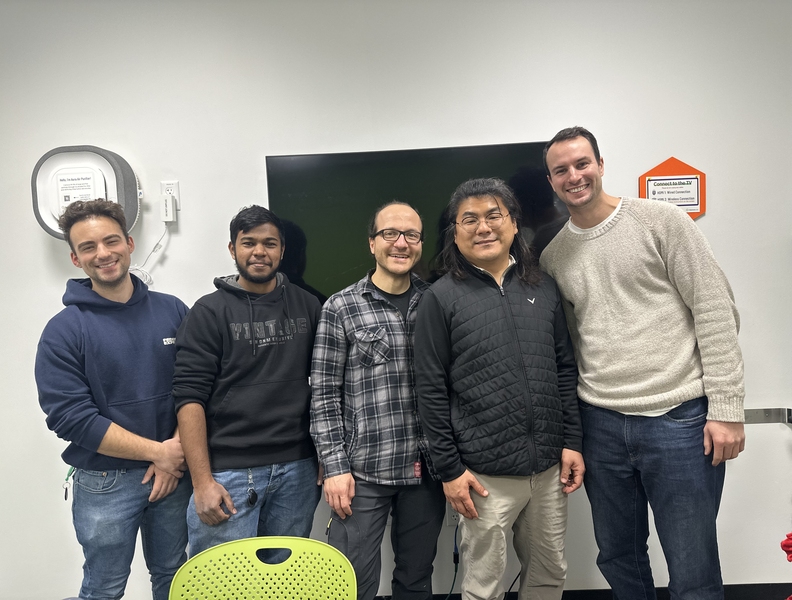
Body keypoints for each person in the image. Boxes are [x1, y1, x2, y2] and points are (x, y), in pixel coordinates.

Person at [540, 126, 745, 599]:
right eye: (561, 170)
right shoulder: (554, 257)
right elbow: (571, 346)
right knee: (616, 555)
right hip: (601, 424)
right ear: (551, 181)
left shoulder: (662, 221)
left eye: (582, 163)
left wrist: (727, 409)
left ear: (601, 164)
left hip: (679, 421)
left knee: (691, 560)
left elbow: (715, 311)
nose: (574, 176)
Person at [414, 178, 584, 600]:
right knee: (483, 586)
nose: (483, 227)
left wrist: (572, 441)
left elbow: (564, 368)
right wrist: (450, 471)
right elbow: (430, 389)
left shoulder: (542, 286)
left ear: (513, 224)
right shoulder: (441, 298)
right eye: (469, 219)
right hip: (482, 476)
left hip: (547, 469)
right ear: (455, 232)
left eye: (494, 215)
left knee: (549, 575)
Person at [35, 199, 191, 600]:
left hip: (173, 475)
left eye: (110, 241)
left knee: (175, 577)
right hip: (105, 483)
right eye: (88, 247)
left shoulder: (173, 310)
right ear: (75, 258)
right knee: (104, 588)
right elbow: (70, 417)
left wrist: (173, 452)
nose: (102, 253)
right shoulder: (64, 330)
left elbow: (196, 386)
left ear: (129, 243)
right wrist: (160, 453)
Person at [310, 202, 445, 600]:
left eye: (411, 235)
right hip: (363, 474)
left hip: (426, 473)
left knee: (416, 580)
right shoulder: (340, 307)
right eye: (390, 234)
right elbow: (323, 395)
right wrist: (334, 467)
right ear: (372, 243)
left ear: (420, 244)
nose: (401, 243)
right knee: (352, 581)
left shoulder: (436, 302)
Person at [172, 205, 321, 557]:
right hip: (228, 473)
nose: (259, 252)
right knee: (222, 583)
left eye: (270, 243)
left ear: (282, 250)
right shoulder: (208, 312)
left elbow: (328, 384)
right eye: (248, 243)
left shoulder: (309, 305)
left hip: (297, 468)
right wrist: (202, 482)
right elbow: (188, 398)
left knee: (283, 583)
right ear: (232, 249)